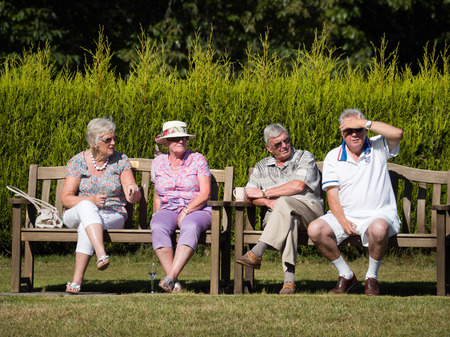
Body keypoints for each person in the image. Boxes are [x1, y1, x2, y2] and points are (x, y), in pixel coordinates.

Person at [308, 109, 403, 296]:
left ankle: (371, 277)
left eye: (357, 129)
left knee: (380, 228)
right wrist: (342, 221)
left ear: (365, 129)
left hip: (378, 214)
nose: (354, 134)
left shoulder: (379, 146)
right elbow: (332, 196)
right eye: (348, 130)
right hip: (346, 215)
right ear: (342, 132)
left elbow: (398, 134)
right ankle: (346, 275)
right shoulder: (333, 156)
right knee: (315, 229)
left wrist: (364, 122)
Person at [235, 124, 324, 294]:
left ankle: (257, 251)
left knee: (284, 202)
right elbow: (248, 195)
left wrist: (264, 193)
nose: (284, 146)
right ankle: (289, 282)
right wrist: (268, 202)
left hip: (310, 212)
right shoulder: (261, 167)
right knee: (290, 220)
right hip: (277, 215)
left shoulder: (304, 157)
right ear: (269, 148)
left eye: (286, 140)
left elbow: (298, 186)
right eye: (278, 144)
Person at [61, 117, 141, 294]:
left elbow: (132, 192)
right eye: (108, 140)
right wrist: (90, 200)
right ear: (95, 142)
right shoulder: (77, 161)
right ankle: (101, 254)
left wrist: (133, 193)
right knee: (87, 207)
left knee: (86, 226)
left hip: (112, 213)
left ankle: (77, 281)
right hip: (75, 213)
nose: (113, 143)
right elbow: (66, 198)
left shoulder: (121, 160)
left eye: (114, 139)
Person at [151, 121, 211, 292]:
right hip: (168, 209)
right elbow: (157, 194)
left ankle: (170, 276)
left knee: (190, 224)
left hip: (198, 209)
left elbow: (205, 193)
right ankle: (174, 282)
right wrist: (157, 214)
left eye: (184, 138)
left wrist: (186, 210)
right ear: (166, 143)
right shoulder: (158, 163)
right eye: (176, 139)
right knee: (158, 225)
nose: (181, 142)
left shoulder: (197, 159)